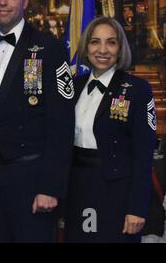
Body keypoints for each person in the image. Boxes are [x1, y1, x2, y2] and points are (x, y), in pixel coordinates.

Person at [0, 0, 75, 242]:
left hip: (31, 177)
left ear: (25, 1)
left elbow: (61, 122)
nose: (3, 2)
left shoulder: (49, 48)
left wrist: (50, 186)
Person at [65, 16, 156, 243]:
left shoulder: (137, 90)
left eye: (111, 42)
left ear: (120, 48)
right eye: (95, 42)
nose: (102, 49)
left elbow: (144, 156)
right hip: (77, 188)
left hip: (116, 192)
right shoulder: (74, 86)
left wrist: (137, 208)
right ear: (86, 46)